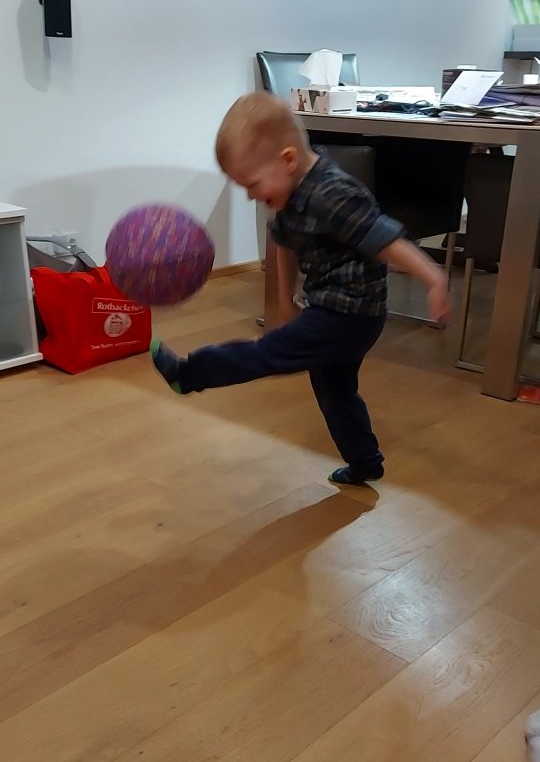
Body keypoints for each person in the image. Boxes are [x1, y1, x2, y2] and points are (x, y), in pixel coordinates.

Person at [151, 92, 452, 485]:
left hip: (350, 314)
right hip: (330, 309)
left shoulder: (332, 193)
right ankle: (365, 462)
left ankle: (189, 373)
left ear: (288, 159)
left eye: (252, 184)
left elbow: (384, 239)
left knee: (266, 353)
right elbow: (284, 243)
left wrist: (433, 278)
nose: (251, 195)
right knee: (335, 390)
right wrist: (284, 301)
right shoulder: (291, 194)